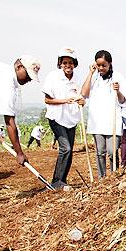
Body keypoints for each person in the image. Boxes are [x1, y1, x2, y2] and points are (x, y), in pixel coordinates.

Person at [0, 55, 40, 208]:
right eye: (28, 76)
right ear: (19, 67)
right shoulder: (8, 86)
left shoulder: (0, 67)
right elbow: (10, 123)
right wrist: (19, 153)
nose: (29, 80)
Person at [82, 50, 126, 178]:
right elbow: (84, 93)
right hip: (97, 121)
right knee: (100, 152)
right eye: (99, 65)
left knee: (112, 151)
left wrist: (118, 91)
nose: (101, 68)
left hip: (112, 121)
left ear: (110, 64)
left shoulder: (118, 77)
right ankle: (102, 178)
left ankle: (115, 176)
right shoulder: (94, 77)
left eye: (104, 65)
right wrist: (90, 73)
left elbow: (124, 101)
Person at [43, 47, 85, 190]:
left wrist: (82, 102)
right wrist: (65, 100)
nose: (68, 65)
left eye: (71, 63)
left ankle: (62, 181)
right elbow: (47, 100)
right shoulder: (53, 76)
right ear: (60, 63)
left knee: (69, 150)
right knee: (65, 148)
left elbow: (83, 96)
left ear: (75, 64)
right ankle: (56, 181)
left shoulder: (78, 78)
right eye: (65, 62)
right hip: (56, 118)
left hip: (71, 119)